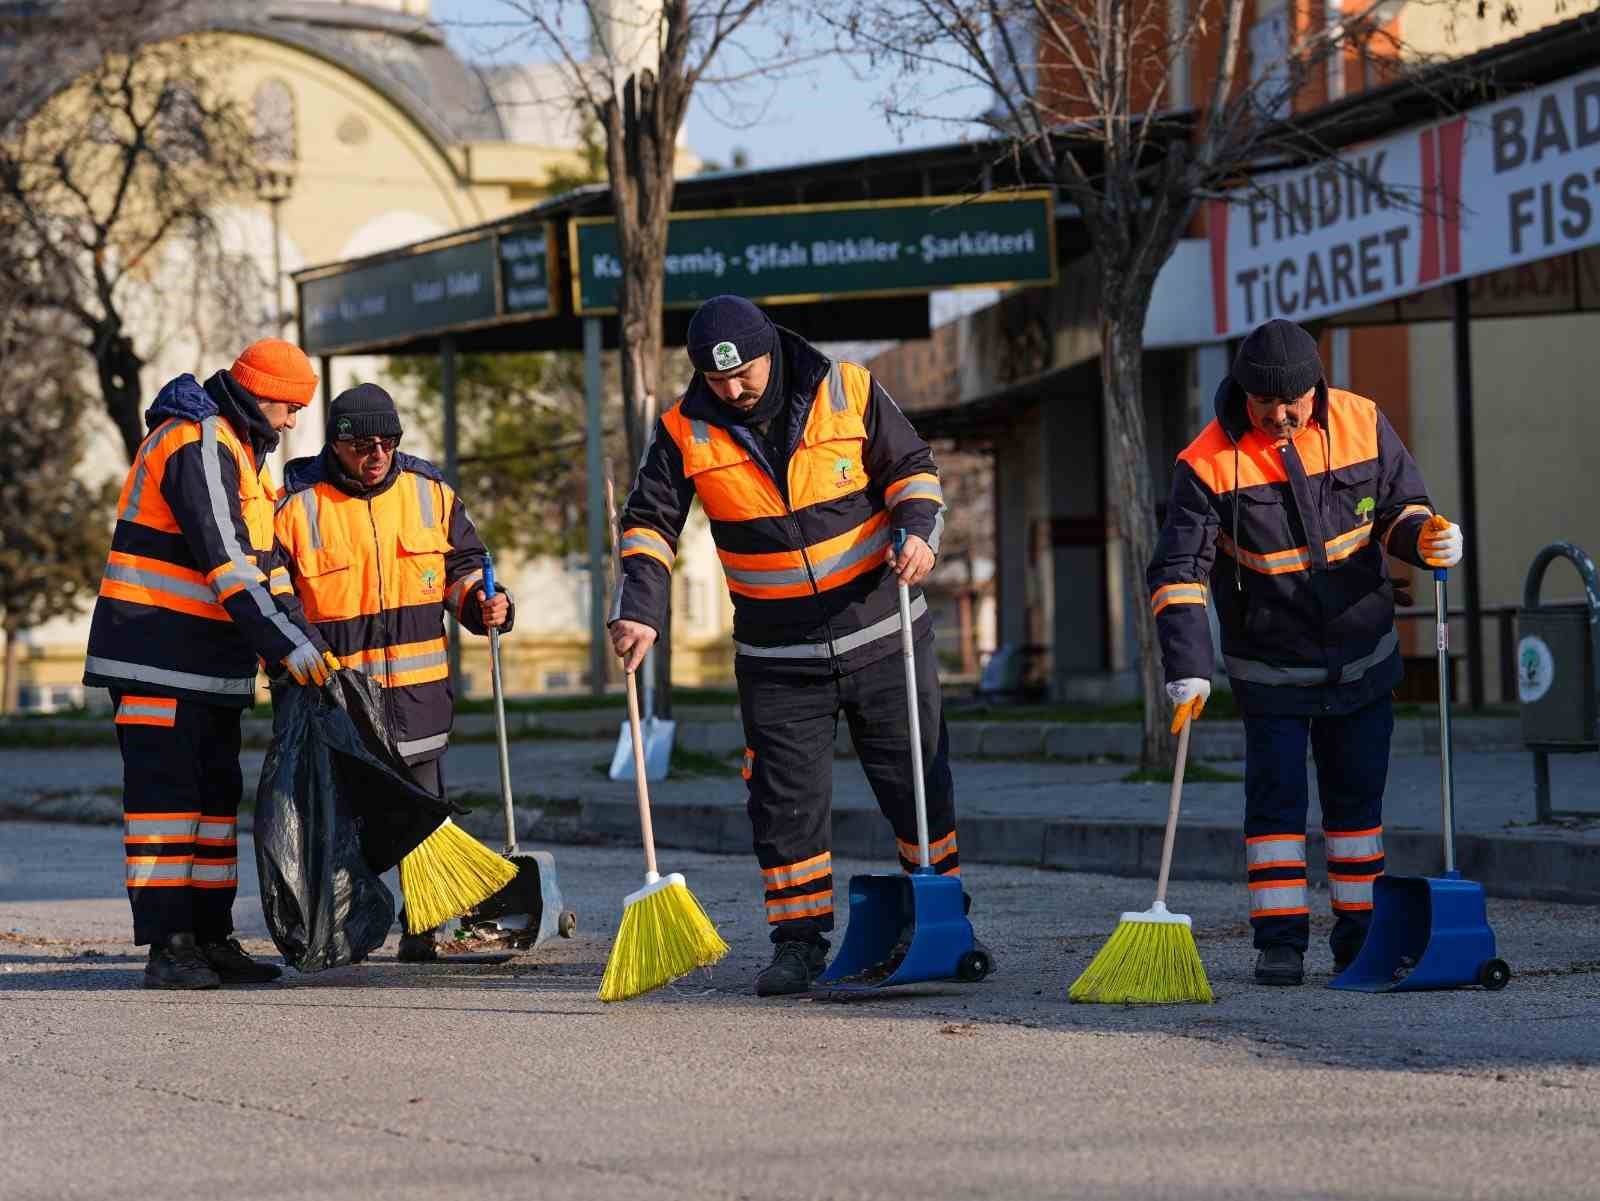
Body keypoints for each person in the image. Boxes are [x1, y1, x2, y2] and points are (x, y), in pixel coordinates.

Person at [609, 294, 960, 996]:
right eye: (718, 379)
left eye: (745, 374)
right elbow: (649, 523)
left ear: (771, 347)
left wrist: (918, 530)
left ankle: (943, 918)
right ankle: (798, 941)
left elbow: (912, 469)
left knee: (917, 784)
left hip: (884, 631)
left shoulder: (848, 388)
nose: (735, 389)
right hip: (778, 658)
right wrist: (641, 608)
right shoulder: (684, 430)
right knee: (784, 804)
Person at [1148, 318, 1463, 986]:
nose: (1282, 415)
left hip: (1363, 652)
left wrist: (1427, 537)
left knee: (1356, 813)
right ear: (1244, 394)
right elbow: (1178, 572)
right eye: (1267, 405)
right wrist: (1188, 667)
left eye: (1293, 402)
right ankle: (1280, 942)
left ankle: (1362, 939)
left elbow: (1401, 508)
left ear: (1314, 388)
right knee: (1276, 808)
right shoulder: (1205, 463)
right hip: (1270, 664)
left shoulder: (1361, 421)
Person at [85, 338, 338, 990]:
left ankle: (209, 937)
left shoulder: (245, 459)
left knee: (212, 804)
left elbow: (269, 568)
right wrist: (287, 645)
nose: (291, 424)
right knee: (167, 805)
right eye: (289, 408)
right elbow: (226, 563)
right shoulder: (196, 442)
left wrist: (302, 639)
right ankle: (169, 945)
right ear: (261, 393)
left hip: (208, 669)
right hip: (156, 658)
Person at [271, 383, 511, 962]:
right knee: (340, 824)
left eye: (389, 442)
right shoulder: (294, 506)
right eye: (364, 445)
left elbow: (464, 566)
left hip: (417, 699)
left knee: (424, 821)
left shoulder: (431, 492)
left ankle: (424, 928)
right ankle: (334, 933)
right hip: (340, 708)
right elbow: (277, 599)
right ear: (337, 443)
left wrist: (484, 605)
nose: (378, 454)